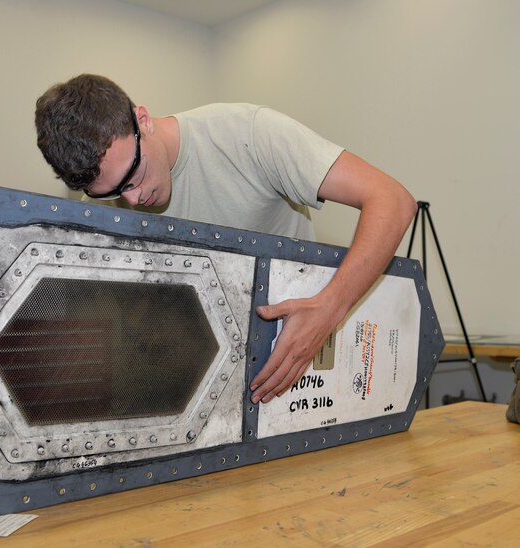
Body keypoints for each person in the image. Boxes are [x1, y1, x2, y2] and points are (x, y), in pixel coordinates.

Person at [35, 74, 417, 406]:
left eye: (133, 175)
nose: (132, 199)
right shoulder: (103, 204)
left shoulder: (249, 135)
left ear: (143, 120)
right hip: (187, 380)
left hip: (289, 364)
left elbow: (393, 201)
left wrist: (328, 311)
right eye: (112, 192)